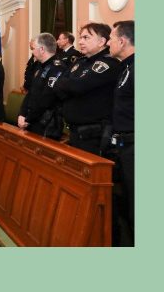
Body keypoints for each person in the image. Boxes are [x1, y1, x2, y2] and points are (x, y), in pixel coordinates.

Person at [54, 23, 121, 156]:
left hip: (93, 135)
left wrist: (70, 85)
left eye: (86, 38)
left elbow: (78, 86)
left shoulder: (109, 63)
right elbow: (57, 85)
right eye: (80, 37)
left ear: (102, 41)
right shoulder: (80, 61)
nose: (80, 41)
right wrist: (71, 86)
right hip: (74, 131)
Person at [106, 20, 135, 246]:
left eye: (112, 38)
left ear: (123, 41)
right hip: (123, 144)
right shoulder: (125, 66)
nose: (109, 42)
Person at [17, 33, 67, 140]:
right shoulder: (39, 66)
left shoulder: (58, 67)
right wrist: (22, 114)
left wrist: (28, 119)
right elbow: (31, 92)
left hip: (47, 124)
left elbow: (46, 99)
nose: (32, 52)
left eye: (34, 48)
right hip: (32, 120)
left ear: (42, 49)